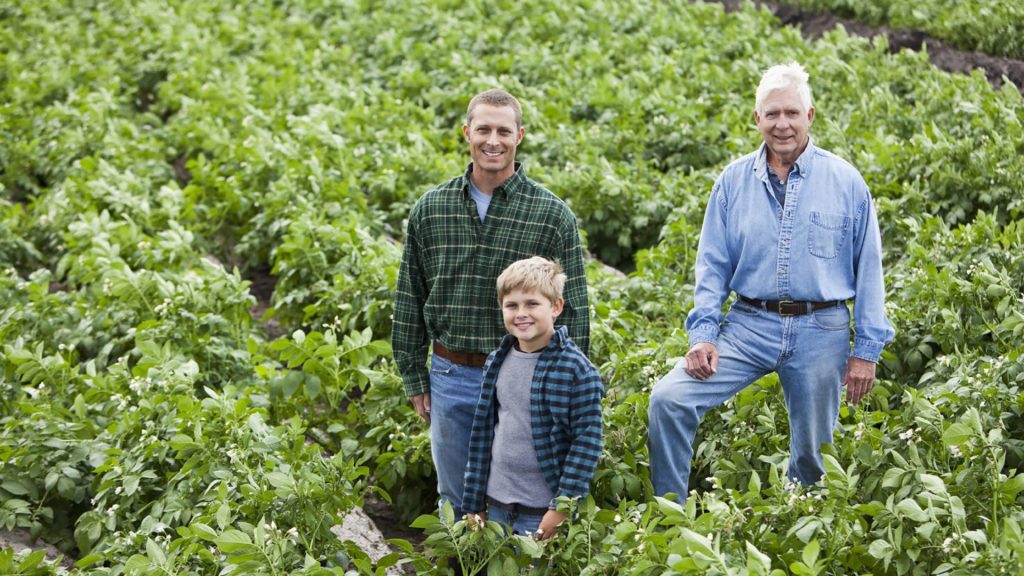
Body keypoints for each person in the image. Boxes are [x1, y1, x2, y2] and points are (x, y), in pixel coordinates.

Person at [647, 62, 895, 500]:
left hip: (821, 329)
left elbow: (870, 269)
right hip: (749, 325)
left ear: (809, 116)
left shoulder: (845, 182)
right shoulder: (732, 182)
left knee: (813, 457)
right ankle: (671, 513)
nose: (783, 124)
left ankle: (800, 519)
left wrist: (866, 351)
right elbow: (712, 266)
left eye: (792, 113)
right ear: (757, 118)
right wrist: (703, 336)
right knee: (669, 399)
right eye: (773, 114)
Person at [392, 89, 590, 517]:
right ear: (467, 133)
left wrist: (569, 383)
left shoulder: (551, 214)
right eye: (483, 130)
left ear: (520, 136)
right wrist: (414, 375)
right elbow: (410, 296)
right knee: (456, 496)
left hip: (525, 375)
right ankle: (461, 553)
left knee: (519, 498)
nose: (493, 141)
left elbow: (573, 309)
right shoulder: (432, 209)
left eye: (503, 131)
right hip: (452, 372)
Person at [461, 257, 603, 539]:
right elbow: (482, 435)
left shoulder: (577, 369)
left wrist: (562, 508)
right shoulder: (497, 361)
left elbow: (586, 444)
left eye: (532, 304)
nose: (521, 313)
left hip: (541, 509)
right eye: (511, 305)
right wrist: (473, 502)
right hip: (497, 502)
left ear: (556, 307)